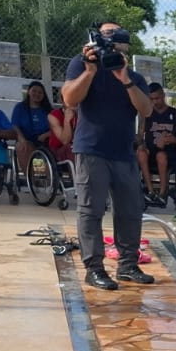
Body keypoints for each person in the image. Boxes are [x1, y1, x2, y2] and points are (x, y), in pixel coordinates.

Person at [62, 20, 152, 292]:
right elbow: (69, 99)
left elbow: (146, 110)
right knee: (91, 210)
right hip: (91, 149)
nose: (111, 43)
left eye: (117, 39)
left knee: (130, 211)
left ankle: (127, 265)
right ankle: (95, 269)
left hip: (123, 152)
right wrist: (90, 71)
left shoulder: (134, 78)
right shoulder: (82, 65)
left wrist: (124, 80)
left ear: (125, 46)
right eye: (106, 38)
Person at [139, 82, 176, 205]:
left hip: (169, 152)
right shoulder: (146, 114)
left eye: (157, 98)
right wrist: (140, 143)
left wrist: (173, 139)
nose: (155, 102)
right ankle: (150, 190)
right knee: (141, 153)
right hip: (151, 150)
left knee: (161, 156)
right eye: (151, 99)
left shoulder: (175, 114)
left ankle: (162, 192)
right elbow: (139, 136)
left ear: (163, 96)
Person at [8, 79, 51, 176]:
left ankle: (42, 176)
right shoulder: (20, 108)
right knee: (23, 147)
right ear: (29, 92)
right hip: (26, 139)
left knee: (40, 151)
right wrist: (21, 138)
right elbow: (15, 125)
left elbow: (54, 127)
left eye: (40, 92)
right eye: (34, 91)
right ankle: (31, 178)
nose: (37, 94)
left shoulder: (47, 110)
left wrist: (45, 135)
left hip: (44, 140)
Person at [47, 97, 75, 163]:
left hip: (77, 147)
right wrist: (67, 120)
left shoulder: (81, 114)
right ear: (62, 101)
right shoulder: (53, 115)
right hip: (58, 151)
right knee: (70, 148)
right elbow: (65, 141)